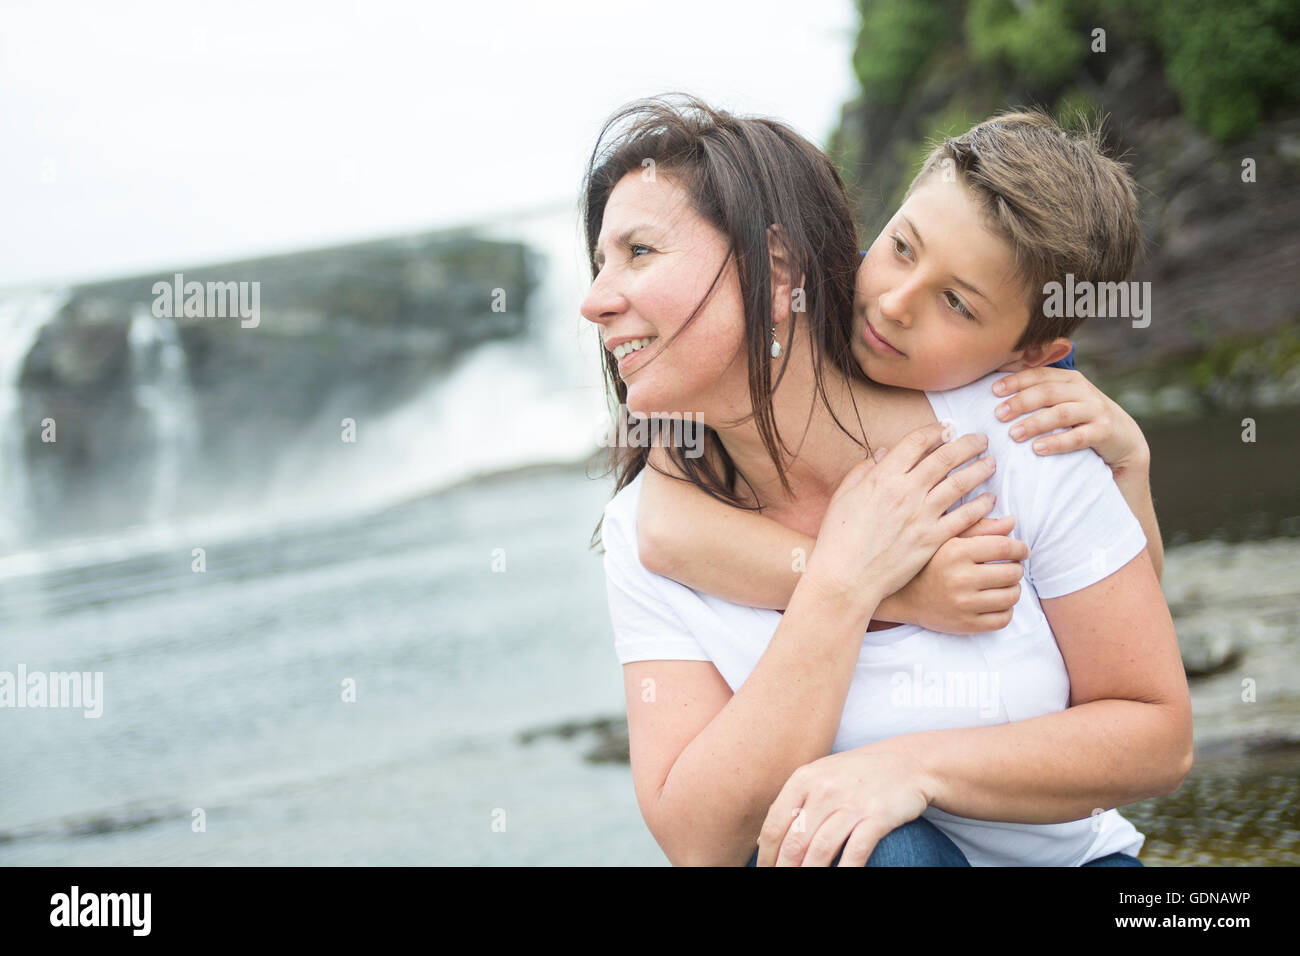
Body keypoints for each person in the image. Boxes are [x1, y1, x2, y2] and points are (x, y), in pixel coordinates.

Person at [582, 94, 1192, 867]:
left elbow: (1155, 732)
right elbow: (698, 841)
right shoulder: (654, 526)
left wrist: (907, 769)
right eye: (900, 248)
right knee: (856, 845)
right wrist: (847, 582)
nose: (596, 301)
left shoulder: (1028, 428)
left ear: (775, 270)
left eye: (640, 252)